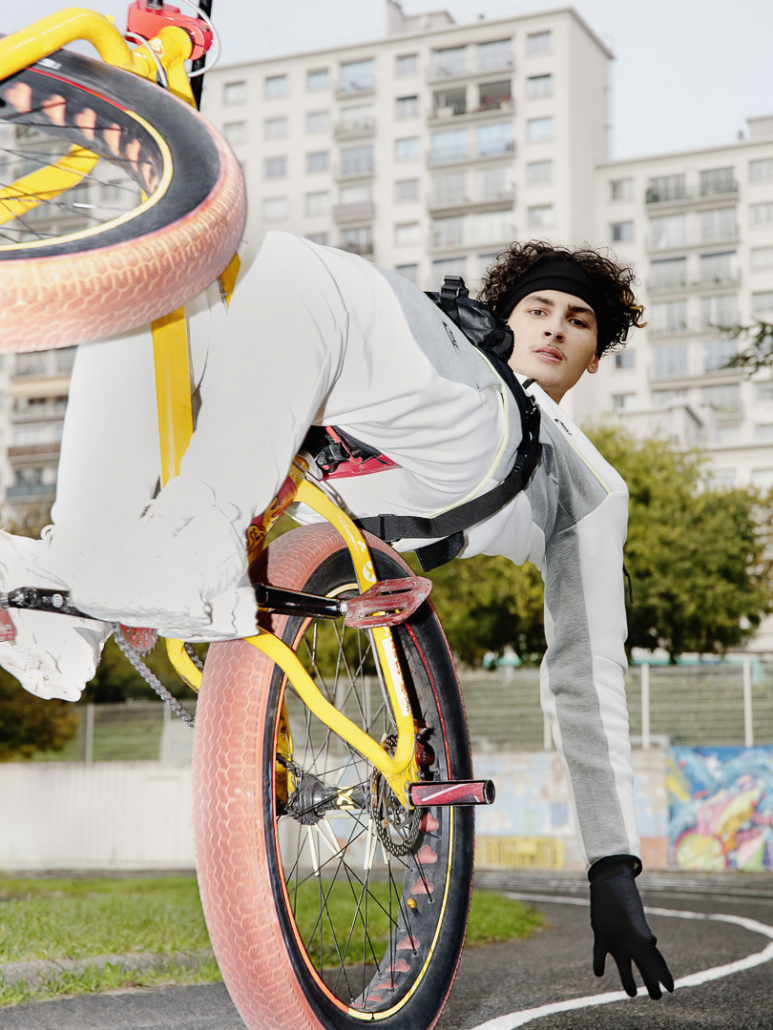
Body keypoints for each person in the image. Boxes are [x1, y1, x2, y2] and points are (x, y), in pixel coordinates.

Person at [0, 232, 673, 999]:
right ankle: (66, 595)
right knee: (145, 294)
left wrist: (611, 863)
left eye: (578, 321)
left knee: (288, 265)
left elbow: (586, 666)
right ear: (505, 318)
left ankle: (176, 542)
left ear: (594, 357)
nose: (554, 327)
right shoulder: (381, 357)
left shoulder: (582, 477)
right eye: (538, 308)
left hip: (478, 433)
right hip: (331, 425)